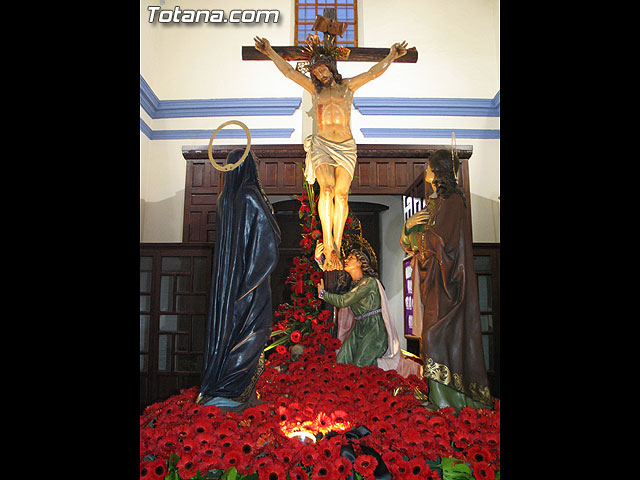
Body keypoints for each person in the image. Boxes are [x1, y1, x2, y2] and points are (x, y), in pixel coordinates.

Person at [254, 35, 407, 271]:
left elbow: (373, 73)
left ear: (331, 67)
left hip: (345, 145)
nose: (319, 75)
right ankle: (329, 242)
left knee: (342, 195)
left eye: (322, 70)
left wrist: (392, 56)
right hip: (322, 144)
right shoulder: (315, 91)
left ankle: (337, 236)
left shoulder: (347, 87)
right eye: (315, 72)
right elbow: (289, 73)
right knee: (326, 190)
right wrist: (270, 52)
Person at [401, 149, 492, 410]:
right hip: (435, 282)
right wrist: (409, 229)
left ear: (438, 170)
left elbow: (441, 241)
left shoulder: (452, 201)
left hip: (449, 282)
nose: (427, 173)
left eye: (429, 167)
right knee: (431, 338)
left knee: (434, 337)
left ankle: (447, 400)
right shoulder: (436, 202)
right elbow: (411, 243)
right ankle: (438, 397)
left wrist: (417, 236)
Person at [196, 148, 281, 412]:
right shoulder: (250, 195)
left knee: (231, 330)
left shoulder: (225, 198)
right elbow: (270, 239)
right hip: (251, 283)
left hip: (229, 284)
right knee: (255, 331)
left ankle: (229, 388)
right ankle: (232, 390)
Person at [316, 247, 422, 378]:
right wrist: (319, 260)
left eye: (351, 258)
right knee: (341, 360)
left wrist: (323, 294)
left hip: (374, 330)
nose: (346, 261)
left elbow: (343, 300)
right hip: (359, 328)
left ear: (360, 263)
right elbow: (334, 275)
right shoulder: (353, 284)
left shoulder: (369, 283)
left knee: (361, 367)